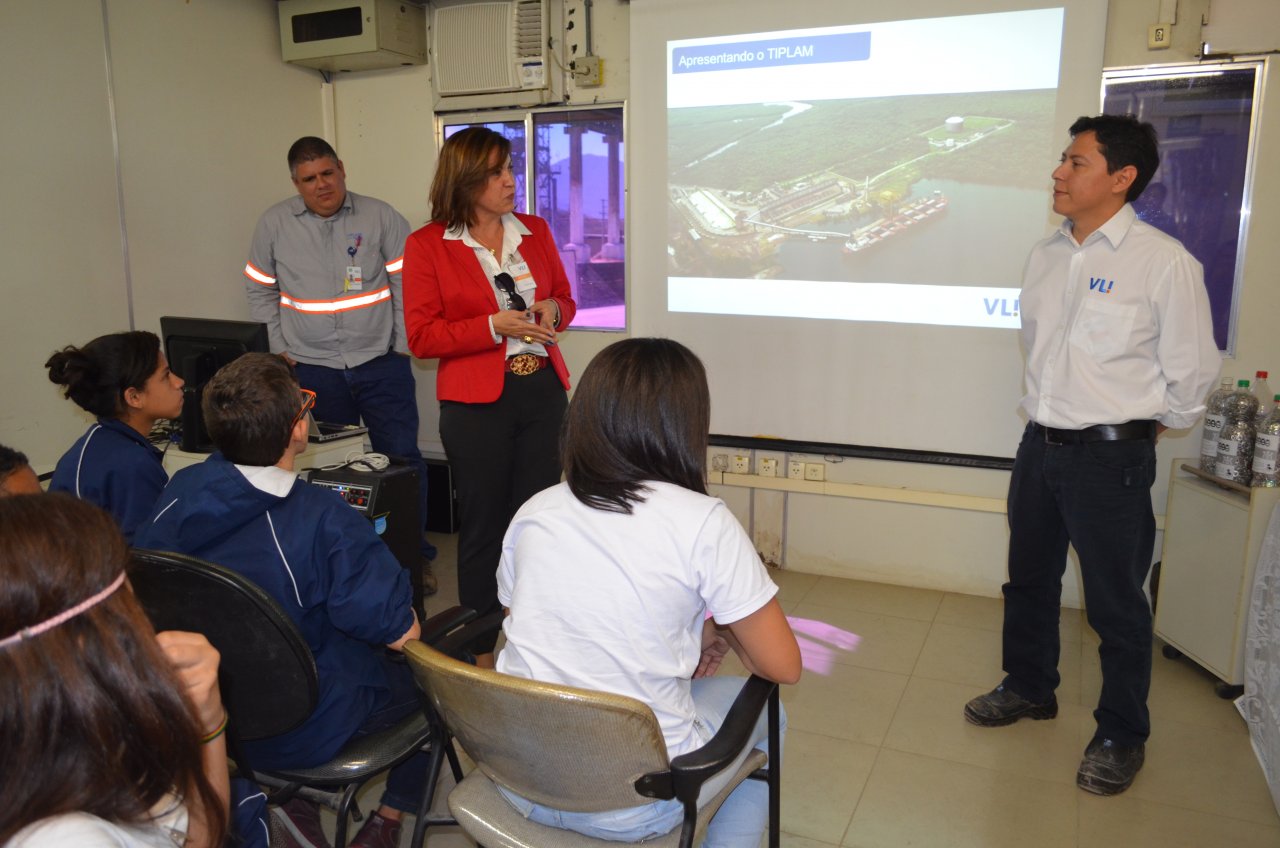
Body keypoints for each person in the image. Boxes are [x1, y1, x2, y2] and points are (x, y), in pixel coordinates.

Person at [963, 115, 1221, 796]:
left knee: (1115, 605)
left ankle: (1121, 732)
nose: (1059, 172)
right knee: (1028, 580)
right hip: (1038, 444)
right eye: (1063, 160)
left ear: (1122, 177)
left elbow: (1192, 374)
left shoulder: (1163, 262)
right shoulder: (1046, 254)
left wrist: (1139, 433)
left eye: (1076, 163)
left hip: (1110, 459)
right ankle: (1028, 687)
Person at [494, 338, 801, 847]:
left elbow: (542, 620)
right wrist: (726, 623)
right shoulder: (703, 522)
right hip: (632, 807)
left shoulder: (537, 510)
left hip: (519, 782)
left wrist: (701, 630)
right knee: (774, 713)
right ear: (685, 424)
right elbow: (782, 666)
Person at [135, 353, 426, 848]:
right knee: (437, 668)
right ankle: (390, 820)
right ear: (296, 430)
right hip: (303, 726)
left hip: (207, 714)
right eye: (304, 403)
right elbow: (403, 634)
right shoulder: (322, 518)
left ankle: (292, 806)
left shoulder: (181, 489)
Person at [402, 126, 576, 666]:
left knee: (541, 522)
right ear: (466, 179)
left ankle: (540, 641)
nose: (510, 181)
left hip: (542, 393)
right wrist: (491, 326)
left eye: (510, 169)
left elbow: (566, 300)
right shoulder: (428, 244)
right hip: (476, 406)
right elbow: (422, 337)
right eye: (498, 172)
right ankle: (477, 653)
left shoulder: (536, 231)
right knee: (483, 529)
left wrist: (550, 312)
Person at [243, 135, 437, 594]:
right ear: (296, 183)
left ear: (342, 169)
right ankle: (343, 556)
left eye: (328, 173)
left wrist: (402, 344)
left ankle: (413, 555)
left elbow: (407, 284)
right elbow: (259, 289)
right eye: (309, 179)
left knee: (402, 460)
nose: (321, 185)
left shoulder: (381, 216)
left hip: (379, 363)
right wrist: (279, 347)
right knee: (331, 467)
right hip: (311, 367)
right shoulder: (273, 224)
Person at [0, 493, 230, 848]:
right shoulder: (68, 839)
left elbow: (199, 837)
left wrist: (209, 722)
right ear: (83, 638)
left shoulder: (69, 732)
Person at [46, 330, 184, 543]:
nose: (179, 382)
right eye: (166, 376)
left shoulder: (98, 442)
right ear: (134, 397)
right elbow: (150, 558)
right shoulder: (132, 465)